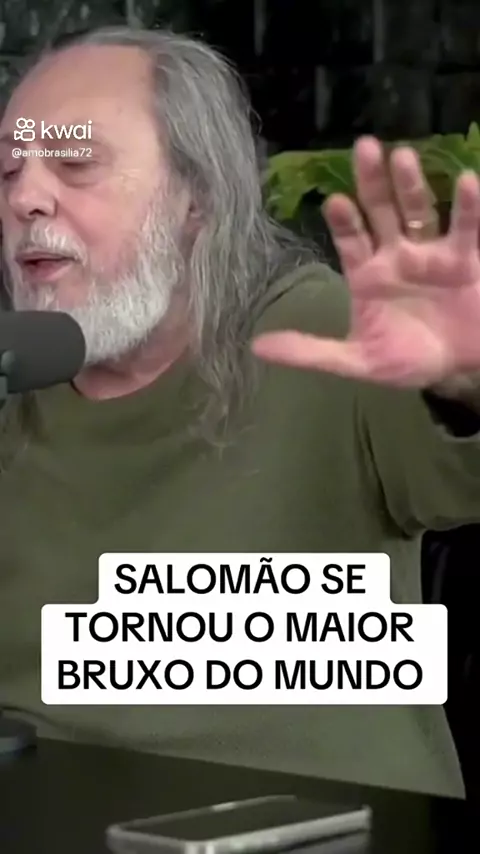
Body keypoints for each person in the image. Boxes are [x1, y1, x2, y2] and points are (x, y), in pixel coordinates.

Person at [0, 26, 479, 801]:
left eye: (75, 164)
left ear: (198, 198)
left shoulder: (326, 332)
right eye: (7, 169)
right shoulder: (15, 378)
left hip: (322, 822)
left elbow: (460, 465)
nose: (26, 197)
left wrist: (465, 380)